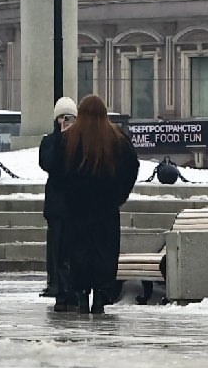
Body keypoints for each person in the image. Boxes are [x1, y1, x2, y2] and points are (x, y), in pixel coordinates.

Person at [45, 94, 140, 311]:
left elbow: (56, 169)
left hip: (76, 209)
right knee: (104, 252)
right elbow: (131, 168)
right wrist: (119, 196)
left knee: (79, 252)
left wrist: (68, 194)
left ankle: (81, 295)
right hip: (106, 209)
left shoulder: (69, 139)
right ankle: (100, 296)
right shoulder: (117, 139)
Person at [36, 98, 77, 298]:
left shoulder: (81, 140)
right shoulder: (49, 141)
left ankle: (70, 282)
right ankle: (54, 282)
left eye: (70, 117)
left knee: (71, 246)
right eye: (62, 117)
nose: (66, 121)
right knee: (55, 245)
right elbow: (48, 163)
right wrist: (61, 140)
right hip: (56, 203)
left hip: (75, 202)